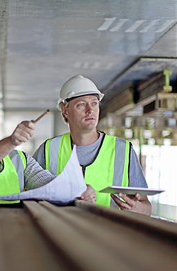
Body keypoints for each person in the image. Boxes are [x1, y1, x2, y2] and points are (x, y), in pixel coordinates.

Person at [0, 87, 95, 216]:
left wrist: (77, 189)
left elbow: (47, 183)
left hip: (11, 238)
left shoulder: (20, 160)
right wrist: (11, 141)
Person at [33, 75, 151, 215]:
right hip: (60, 232)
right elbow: (28, 195)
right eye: (81, 104)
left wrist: (135, 208)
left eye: (94, 103)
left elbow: (146, 207)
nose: (90, 110)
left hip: (106, 233)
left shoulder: (123, 150)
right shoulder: (48, 149)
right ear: (65, 110)